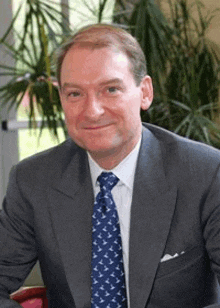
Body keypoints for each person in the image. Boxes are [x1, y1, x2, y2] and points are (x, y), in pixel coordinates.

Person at [0, 23, 220, 308]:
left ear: (145, 92)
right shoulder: (34, 180)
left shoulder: (205, 173)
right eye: (75, 94)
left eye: (111, 89)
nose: (92, 111)